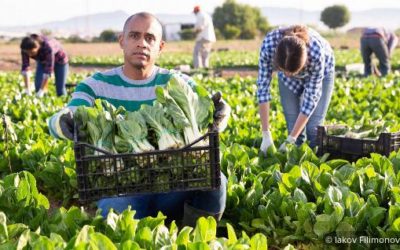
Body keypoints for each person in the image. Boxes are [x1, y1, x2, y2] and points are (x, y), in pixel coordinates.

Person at [47, 12, 230, 226]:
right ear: (122, 41)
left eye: (149, 38)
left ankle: (193, 234)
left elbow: (214, 108)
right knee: (119, 211)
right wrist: (62, 121)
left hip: (175, 184)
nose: (141, 43)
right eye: (134, 36)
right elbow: (64, 116)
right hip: (120, 186)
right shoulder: (95, 85)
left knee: (217, 181)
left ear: (160, 47)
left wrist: (222, 113)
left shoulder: (177, 82)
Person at [257, 25, 335, 153]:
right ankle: (295, 160)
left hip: (323, 72)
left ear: (304, 62)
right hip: (288, 75)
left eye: (291, 72)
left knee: (313, 130)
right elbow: (263, 89)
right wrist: (265, 133)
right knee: (293, 127)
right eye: (283, 70)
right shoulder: (269, 46)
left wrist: (290, 139)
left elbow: (310, 100)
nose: (287, 74)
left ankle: (315, 161)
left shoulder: (316, 54)